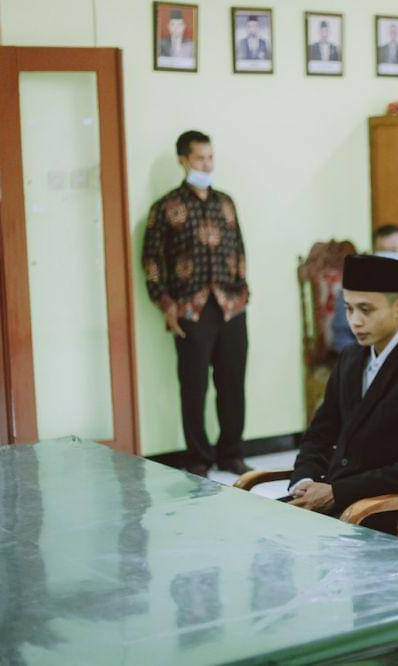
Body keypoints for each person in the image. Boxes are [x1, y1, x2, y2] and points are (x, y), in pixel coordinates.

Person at [287, 254, 398, 535]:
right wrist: (304, 481)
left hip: (385, 513)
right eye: (349, 308)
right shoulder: (350, 357)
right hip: (335, 504)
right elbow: (319, 433)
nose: (354, 321)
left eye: (366, 310)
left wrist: (338, 492)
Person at [143, 130, 250, 477]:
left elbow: (239, 250)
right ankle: (198, 458)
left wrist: (243, 293)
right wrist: (166, 305)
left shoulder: (226, 203)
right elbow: (152, 260)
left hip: (230, 307)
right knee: (194, 388)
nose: (207, 164)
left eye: (210, 157)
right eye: (200, 158)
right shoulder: (166, 208)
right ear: (183, 160)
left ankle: (231, 453)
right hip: (190, 310)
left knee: (232, 383)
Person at [332, 225, 398, 352]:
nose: (389, 259)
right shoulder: (352, 287)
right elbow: (341, 335)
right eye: (383, 252)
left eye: (394, 251)